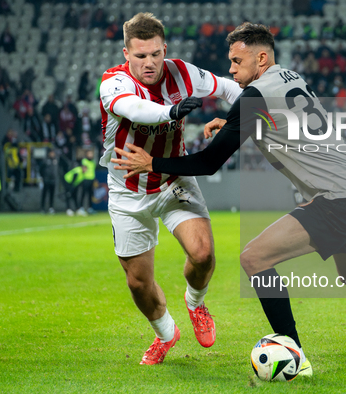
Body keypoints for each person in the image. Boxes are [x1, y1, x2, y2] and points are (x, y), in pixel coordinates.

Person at [111, 22, 346, 374]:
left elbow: (207, 162)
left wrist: (151, 162)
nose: (231, 69)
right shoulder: (290, 77)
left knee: (254, 258)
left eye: (237, 61)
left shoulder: (253, 97)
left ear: (261, 57)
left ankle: (293, 355)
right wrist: (233, 121)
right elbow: (280, 119)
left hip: (335, 196)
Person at [98, 13, 242, 365]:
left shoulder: (183, 72)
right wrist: (173, 111)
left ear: (165, 49)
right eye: (140, 56)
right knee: (138, 283)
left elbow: (230, 88)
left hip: (172, 178)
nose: (149, 63)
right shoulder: (113, 83)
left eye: (155, 54)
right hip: (127, 191)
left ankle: (196, 303)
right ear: (126, 53)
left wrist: (238, 117)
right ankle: (166, 333)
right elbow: (135, 109)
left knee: (203, 254)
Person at [40, 149, 58, 214]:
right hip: (46, 180)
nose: (52, 154)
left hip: (53, 180)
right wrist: (43, 177)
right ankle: (42, 208)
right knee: (44, 194)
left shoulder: (55, 160)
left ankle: (51, 207)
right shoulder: (45, 160)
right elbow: (41, 169)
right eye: (51, 153)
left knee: (52, 195)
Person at [79, 150, 96, 214]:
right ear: (86, 155)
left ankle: (90, 208)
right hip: (85, 179)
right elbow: (83, 170)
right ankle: (81, 208)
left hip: (91, 179)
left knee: (90, 194)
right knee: (83, 194)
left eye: (91, 153)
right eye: (89, 154)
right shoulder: (84, 161)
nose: (90, 155)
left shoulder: (93, 162)